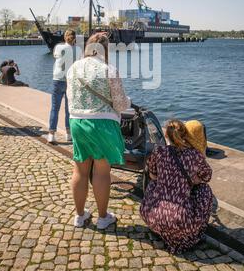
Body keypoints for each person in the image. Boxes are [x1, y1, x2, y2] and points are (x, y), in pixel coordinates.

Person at [66, 33, 131, 229]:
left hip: (77, 122)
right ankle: (103, 218)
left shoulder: (73, 68)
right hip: (102, 123)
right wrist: (128, 102)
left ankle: (79, 216)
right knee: (102, 172)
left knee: (80, 170)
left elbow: (70, 97)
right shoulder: (108, 69)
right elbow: (120, 104)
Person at [140, 119, 213, 254]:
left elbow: (153, 176)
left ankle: (161, 230)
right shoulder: (194, 155)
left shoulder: (159, 151)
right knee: (205, 190)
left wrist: (168, 177)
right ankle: (191, 235)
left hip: (152, 216)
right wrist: (193, 180)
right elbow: (207, 177)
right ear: (185, 135)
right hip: (181, 222)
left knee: (153, 184)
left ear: (166, 135)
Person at [47, 29, 78, 144]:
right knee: (68, 109)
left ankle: (51, 134)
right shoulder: (78, 50)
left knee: (55, 108)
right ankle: (68, 134)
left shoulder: (59, 47)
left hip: (58, 79)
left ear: (65, 37)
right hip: (71, 80)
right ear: (74, 38)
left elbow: (56, 57)